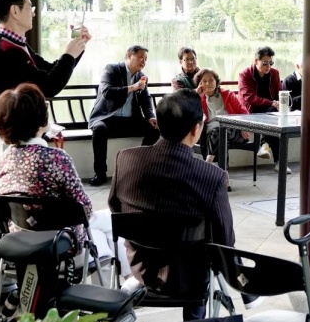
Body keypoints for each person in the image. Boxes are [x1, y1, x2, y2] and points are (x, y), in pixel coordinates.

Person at [109, 89, 261, 320]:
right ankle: (243, 290)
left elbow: (115, 207)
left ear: (158, 124)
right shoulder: (212, 177)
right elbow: (225, 242)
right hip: (190, 282)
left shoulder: (125, 159)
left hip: (141, 269)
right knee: (208, 248)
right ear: (196, 129)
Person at [0, 0, 91, 165]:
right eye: (30, 8)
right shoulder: (6, 49)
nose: (33, 13)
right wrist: (69, 55)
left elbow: (49, 70)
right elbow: (49, 86)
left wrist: (75, 49)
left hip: (19, 138)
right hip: (12, 142)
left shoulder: (14, 43)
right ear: (15, 11)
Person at [0, 83, 93, 251]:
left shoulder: (2, 161)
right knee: (105, 228)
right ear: (40, 119)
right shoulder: (56, 158)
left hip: (19, 242)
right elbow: (85, 209)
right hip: (60, 243)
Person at [88, 45, 160, 186]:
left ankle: (140, 168)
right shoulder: (112, 69)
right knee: (99, 130)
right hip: (106, 117)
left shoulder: (142, 77)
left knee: (155, 130)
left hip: (129, 120)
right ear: (129, 55)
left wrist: (150, 116)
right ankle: (100, 173)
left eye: (146, 59)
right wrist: (133, 87)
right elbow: (107, 92)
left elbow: (146, 99)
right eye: (140, 57)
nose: (143, 61)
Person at [238, 46, 291, 174]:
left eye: (270, 63)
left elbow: (280, 92)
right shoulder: (245, 74)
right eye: (265, 63)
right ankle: (279, 162)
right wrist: (272, 103)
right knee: (275, 119)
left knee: (277, 119)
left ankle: (265, 144)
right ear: (256, 61)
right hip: (251, 111)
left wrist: (282, 104)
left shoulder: (274, 73)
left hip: (270, 111)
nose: (268, 66)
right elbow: (250, 98)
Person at [195, 68, 249, 184]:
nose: (208, 83)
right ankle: (224, 177)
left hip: (234, 131)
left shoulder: (227, 94)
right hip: (211, 134)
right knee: (220, 139)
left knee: (221, 131)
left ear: (216, 81)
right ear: (200, 84)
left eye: (211, 80)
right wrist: (196, 96)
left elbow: (244, 112)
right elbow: (189, 113)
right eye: (204, 81)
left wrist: (242, 127)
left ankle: (208, 163)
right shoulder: (199, 98)